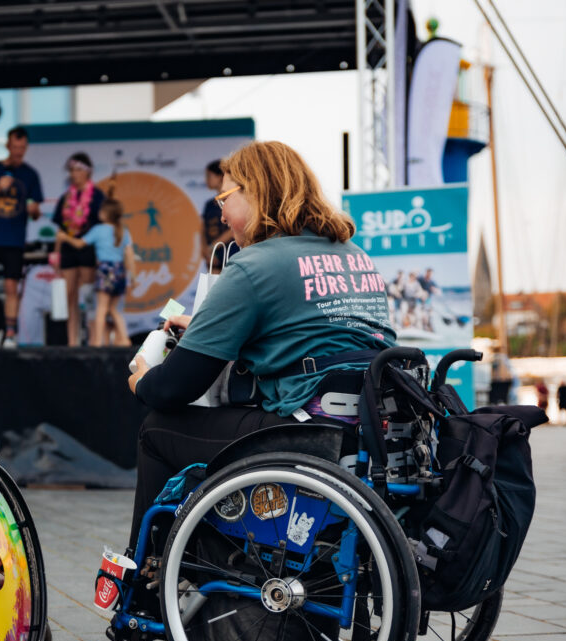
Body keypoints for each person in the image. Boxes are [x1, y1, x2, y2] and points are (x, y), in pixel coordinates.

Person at [125, 140, 396, 548]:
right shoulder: (353, 254)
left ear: (255, 191)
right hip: (369, 429)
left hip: (307, 432)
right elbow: (310, 332)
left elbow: (173, 388)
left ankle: (148, 576)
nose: (220, 211)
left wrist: (143, 380)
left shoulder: (254, 263)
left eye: (225, 196)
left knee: (157, 429)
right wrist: (207, 325)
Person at [0, 126, 44, 349]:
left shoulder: (30, 174)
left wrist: (33, 209)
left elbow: (36, 210)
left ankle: (11, 335)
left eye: (22, 148)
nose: (18, 152)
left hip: (14, 239)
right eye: (15, 147)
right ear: (7, 145)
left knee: (11, 287)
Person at [55, 198, 135, 347]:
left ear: (105, 214)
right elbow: (129, 255)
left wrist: (65, 237)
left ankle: (97, 343)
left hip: (105, 270)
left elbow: (79, 244)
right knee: (114, 309)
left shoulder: (99, 230)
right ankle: (124, 339)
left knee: (102, 309)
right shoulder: (123, 231)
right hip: (119, 271)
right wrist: (133, 278)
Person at [53, 152, 106, 346]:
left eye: (77, 170)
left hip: (88, 249)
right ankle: (72, 341)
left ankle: (94, 339)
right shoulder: (66, 197)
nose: (73, 174)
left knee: (89, 294)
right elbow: (59, 228)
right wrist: (56, 254)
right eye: (71, 170)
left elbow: (103, 227)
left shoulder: (97, 196)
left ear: (87, 172)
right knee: (70, 295)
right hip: (68, 248)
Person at [199, 159, 236, 271]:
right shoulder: (209, 204)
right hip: (213, 257)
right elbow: (202, 229)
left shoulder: (233, 200)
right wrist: (206, 251)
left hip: (231, 253)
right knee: (213, 287)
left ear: (221, 177)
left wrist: (212, 247)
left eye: (209, 176)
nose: (206, 180)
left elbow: (234, 229)